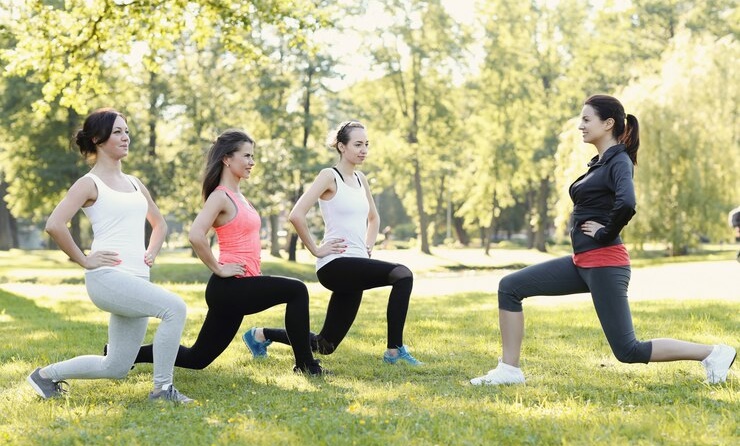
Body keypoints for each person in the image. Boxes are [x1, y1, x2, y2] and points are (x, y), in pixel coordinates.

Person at [470, 95, 736, 386]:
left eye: (587, 119)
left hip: (604, 263)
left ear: (608, 123)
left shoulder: (619, 160)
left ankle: (713, 353)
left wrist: (604, 232)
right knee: (510, 287)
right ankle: (509, 370)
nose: (580, 126)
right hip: (582, 262)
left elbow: (627, 203)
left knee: (628, 350)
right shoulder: (600, 162)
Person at [26, 108, 193, 403]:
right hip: (108, 278)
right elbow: (54, 224)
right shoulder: (89, 183)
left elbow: (160, 224)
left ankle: (44, 376)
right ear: (98, 139)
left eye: (126, 131)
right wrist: (84, 259)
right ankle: (163, 390)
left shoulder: (135, 183)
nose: (125, 137)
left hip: (136, 278)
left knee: (115, 366)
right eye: (118, 132)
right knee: (174, 308)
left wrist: (151, 251)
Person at [130, 129, 327, 376]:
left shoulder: (240, 197)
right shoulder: (220, 197)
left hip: (239, 286)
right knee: (297, 290)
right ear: (227, 158)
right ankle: (306, 365)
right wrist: (219, 268)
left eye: (252, 156)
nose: (251, 162)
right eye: (246, 156)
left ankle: (127, 354)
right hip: (230, 286)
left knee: (197, 358)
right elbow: (195, 235)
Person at [243, 121, 421, 365]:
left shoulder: (361, 179)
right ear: (341, 146)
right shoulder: (329, 176)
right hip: (335, 264)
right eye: (357, 144)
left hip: (356, 265)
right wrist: (316, 249)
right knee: (403, 275)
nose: (364, 150)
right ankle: (394, 351)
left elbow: (374, 217)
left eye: (366, 144)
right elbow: (296, 214)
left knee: (325, 345)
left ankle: (260, 335)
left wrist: (368, 247)